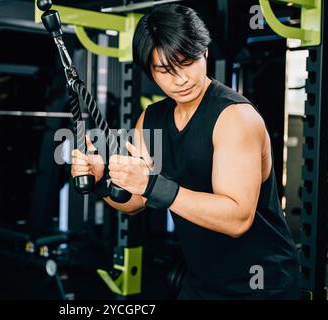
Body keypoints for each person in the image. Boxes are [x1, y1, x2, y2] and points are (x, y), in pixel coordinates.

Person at [71, 4, 300, 300]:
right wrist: (104, 180)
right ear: (151, 72)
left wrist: (155, 184)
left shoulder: (234, 118)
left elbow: (237, 220)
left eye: (188, 61)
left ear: (204, 52)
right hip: (202, 282)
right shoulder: (151, 118)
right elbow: (135, 201)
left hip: (262, 285)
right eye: (166, 70)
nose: (181, 79)